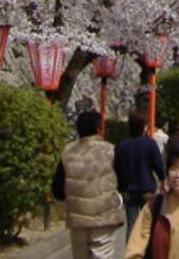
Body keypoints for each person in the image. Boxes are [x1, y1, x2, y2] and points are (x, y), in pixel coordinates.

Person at [52, 110, 124, 259]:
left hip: (78, 221)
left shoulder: (67, 152)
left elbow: (57, 190)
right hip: (104, 219)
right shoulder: (110, 150)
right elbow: (123, 182)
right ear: (99, 128)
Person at [114, 109, 164, 239]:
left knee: (131, 223)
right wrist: (163, 179)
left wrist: (120, 187)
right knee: (149, 222)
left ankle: (131, 253)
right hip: (147, 187)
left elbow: (117, 167)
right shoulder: (150, 144)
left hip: (128, 190)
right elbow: (158, 166)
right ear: (144, 126)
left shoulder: (122, 145)